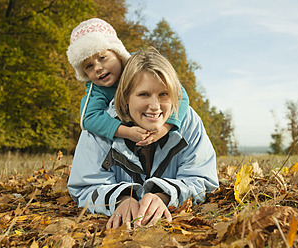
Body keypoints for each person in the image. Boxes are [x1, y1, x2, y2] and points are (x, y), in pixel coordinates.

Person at [67, 48, 219, 229]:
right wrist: (121, 200)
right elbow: (84, 185)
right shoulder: (98, 126)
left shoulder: (188, 121)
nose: (155, 106)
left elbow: (202, 178)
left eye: (164, 94)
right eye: (143, 94)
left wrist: (163, 195)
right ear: (125, 98)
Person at [66, 18, 190, 146]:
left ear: (118, 54)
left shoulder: (140, 67)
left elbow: (180, 95)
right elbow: (88, 117)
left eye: (102, 58)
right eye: (89, 66)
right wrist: (126, 132)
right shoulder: (97, 89)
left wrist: (165, 127)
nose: (97, 68)